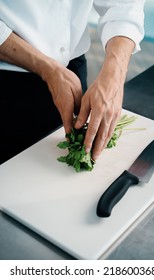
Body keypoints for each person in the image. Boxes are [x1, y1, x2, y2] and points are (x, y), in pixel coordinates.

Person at [0, 0, 145, 164]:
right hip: (8, 82)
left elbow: (124, 4)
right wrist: (48, 69)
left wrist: (115, 74)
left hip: (73, 69)